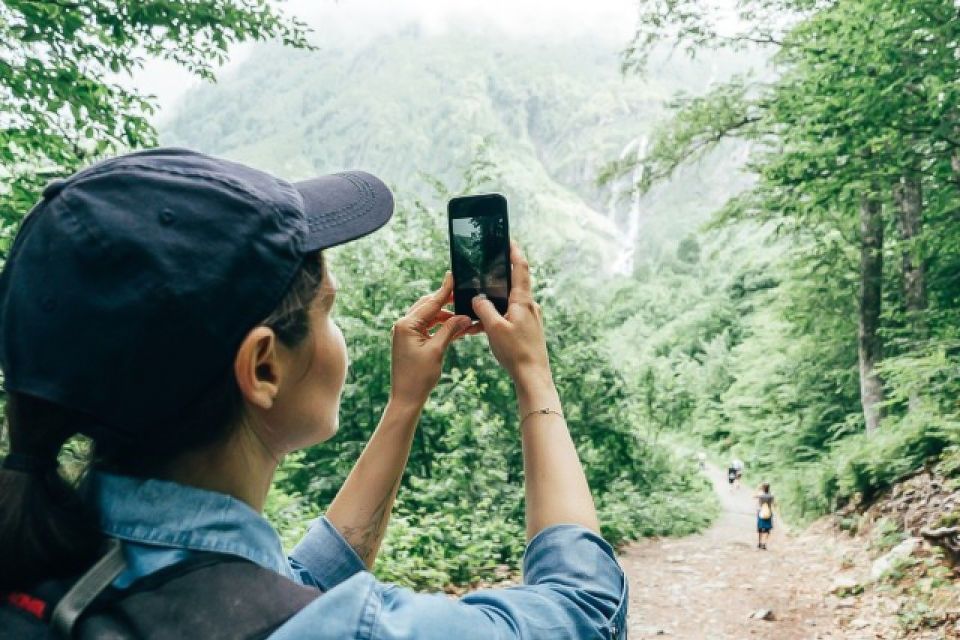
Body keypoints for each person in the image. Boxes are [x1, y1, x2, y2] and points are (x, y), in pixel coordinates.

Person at [0, 149, 627, 639]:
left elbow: (290, 585)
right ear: (264, 368)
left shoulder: (57, 569)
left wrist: (404, 404)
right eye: (328, 310)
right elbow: (585, 611)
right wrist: (534, 378)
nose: (338, 330)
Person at [756, 482, 775, 550]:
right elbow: (774, 504)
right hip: (768, 513)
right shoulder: (771, 496)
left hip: (761, 512)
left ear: (763, 488)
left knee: (760, 529)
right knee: (767, 529)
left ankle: (759, 543)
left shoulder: (761, 495)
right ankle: (764, 543)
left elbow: (754, 496)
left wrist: (758, 488)